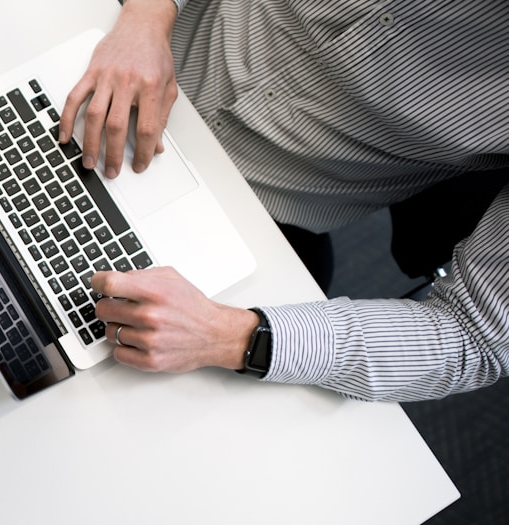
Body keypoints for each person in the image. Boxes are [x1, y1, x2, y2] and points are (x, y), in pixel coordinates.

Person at [60, 0, 509, 402]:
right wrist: (148, 13)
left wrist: (228, 337)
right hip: (133, 48)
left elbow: (476, 336)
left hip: (256, 217)